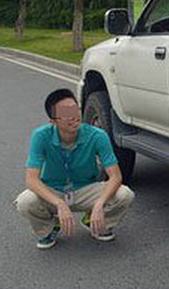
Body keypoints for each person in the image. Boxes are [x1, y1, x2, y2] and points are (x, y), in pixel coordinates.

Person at [14, 88, 134, 249]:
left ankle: (93, 219)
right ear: (54, 121)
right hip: (54, 190)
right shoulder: (41, 136)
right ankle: (49, 228)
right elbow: (31, 179)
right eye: (65, 113)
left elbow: (115, 176)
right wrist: (59, 204)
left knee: (124, 194)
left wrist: (99, 204)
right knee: (25, 201)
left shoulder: (97, 135)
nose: (73, 117)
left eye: (75, 110)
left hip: (86, 189)